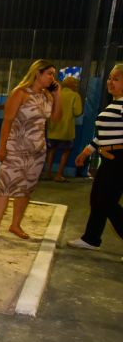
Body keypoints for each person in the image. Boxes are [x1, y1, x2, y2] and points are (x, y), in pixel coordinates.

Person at [0, 59, 62, 239]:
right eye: (50, 73)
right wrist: (2, 147)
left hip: (37, 150)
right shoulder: (20, 93)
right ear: (38, 73)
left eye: (53, 74)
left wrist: (58, 95)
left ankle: (15, 225)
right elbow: (7, 120)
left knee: (26, 189)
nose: (52, 78)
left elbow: (55, 118)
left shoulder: (47, 95)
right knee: (6, 187)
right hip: (15, 147)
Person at [67, 64, 123, 255]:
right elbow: (103, 135)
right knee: (98, 200)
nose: (110, 82)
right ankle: (91, 238)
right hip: (108, 159)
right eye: (109, 78)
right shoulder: (115, 103)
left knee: (106, 201)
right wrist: (86, 151)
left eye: (116, 78)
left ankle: (91, 238)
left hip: (119, 160)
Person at [44, 76, 83, 182]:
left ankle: (48, 173)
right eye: (76, 84)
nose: (77, 86)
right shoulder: (75, 96)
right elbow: (78, 112)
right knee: (65, 152)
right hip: (66, 130)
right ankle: (59, 175)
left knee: (51, 151)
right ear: (73, 85)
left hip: (53, 128)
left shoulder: (55, 94)